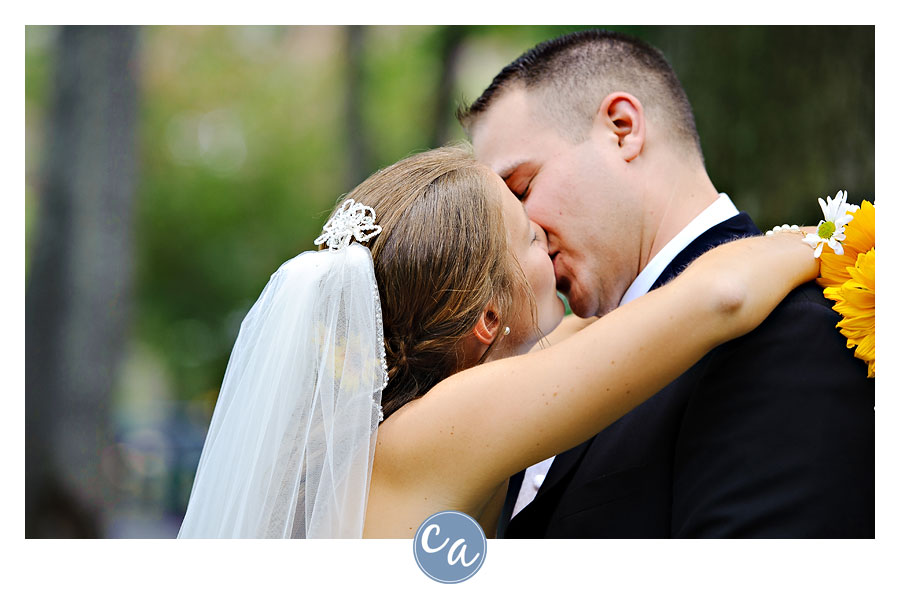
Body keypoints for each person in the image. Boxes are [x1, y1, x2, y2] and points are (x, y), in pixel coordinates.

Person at [178, 145, 821, 539]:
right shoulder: (441, 427)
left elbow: (598, 331)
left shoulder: (400, 430)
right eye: (532, 239)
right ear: (489, 321)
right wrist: (844, 238)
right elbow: (720, 297)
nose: (549, 236)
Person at [457, 29, 874, 538]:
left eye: (521, 188)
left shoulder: (787, 331)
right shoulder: (544, 368)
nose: (522, 233)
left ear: (622, 128)